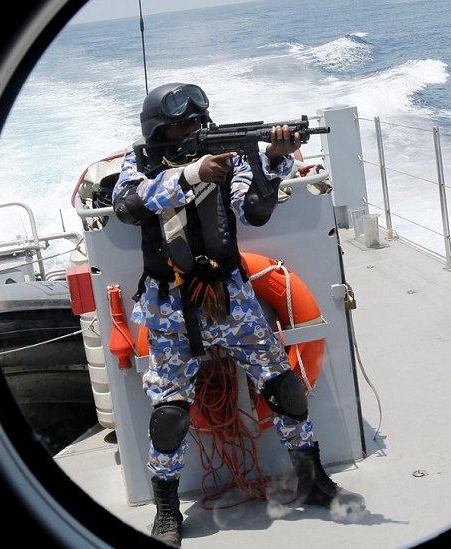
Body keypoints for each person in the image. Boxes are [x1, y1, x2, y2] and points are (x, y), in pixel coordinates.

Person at [112, 82, 364, 545]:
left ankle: (312, 481)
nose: (196, 130)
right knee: (169, 412)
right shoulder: (141, 163)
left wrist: (272, 158)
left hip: (230, 296)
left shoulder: (231, 157)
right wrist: (191, 175)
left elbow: (256, 212)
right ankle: (167, 508)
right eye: (186, 125)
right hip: (170, 306)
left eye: (199, 122)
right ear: (161, 130)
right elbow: (128, 205)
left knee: (283, 386)